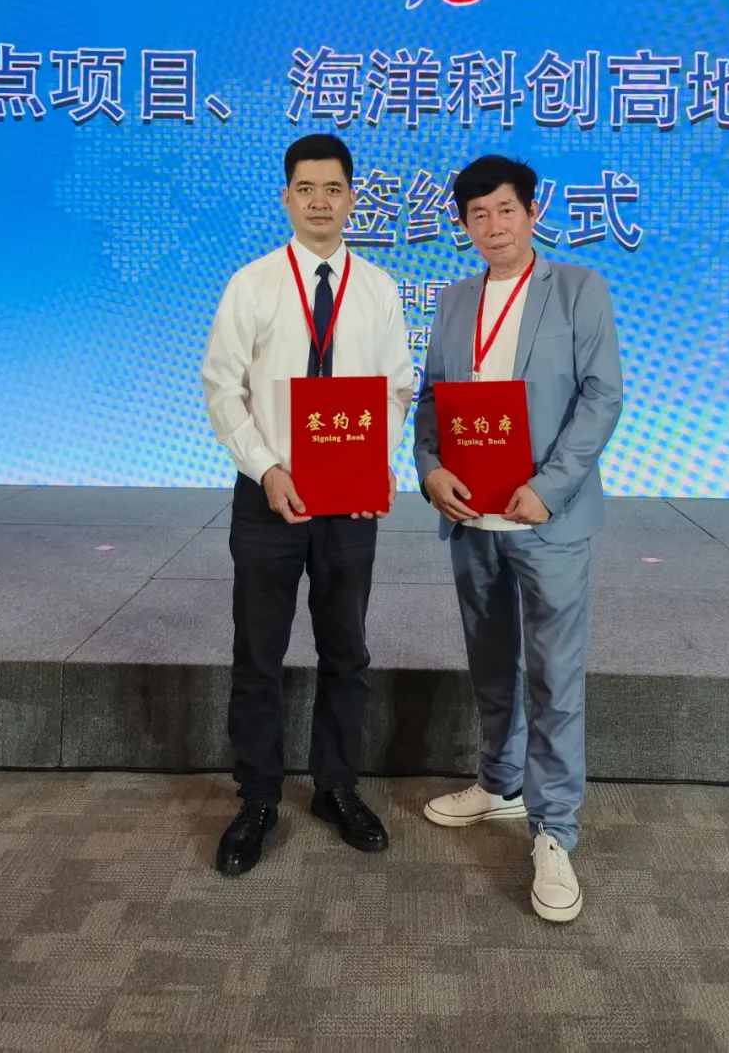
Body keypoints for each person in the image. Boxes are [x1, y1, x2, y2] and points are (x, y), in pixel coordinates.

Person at [414, 154, 623, 922]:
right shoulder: (452, 300)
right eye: (478, 214)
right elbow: (431, 402)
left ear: (533, 213)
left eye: (506, 209)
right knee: (492, 663)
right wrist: (431, 470)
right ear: (464, 224)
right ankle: (499, 781)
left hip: (547, 518)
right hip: (472, 520)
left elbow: (602, 396)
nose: (494, 225)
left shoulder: (577, 289)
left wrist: (550, 486)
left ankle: (554, 829)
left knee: (554, 677)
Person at [202, 133, 414, 876]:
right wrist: (265, 467)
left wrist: (375, 460)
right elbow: (221, 387)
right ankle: (258, 797)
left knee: (346, 651)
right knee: (258, 653)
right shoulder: (252, 284)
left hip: (350, 500)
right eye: (306, 188)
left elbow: (397, 387)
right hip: (270, 494)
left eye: (333, 188)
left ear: (353, 198)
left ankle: (335, 787)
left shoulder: (380, 288)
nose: (320, 201)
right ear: (285, 197)